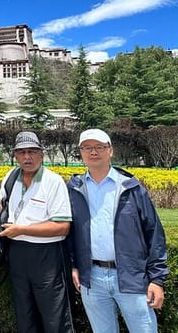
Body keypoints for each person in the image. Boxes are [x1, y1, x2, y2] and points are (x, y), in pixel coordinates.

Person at [67, 129, 168, 333]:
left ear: (110, 151)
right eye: (87, 148)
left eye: (99, 147)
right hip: (92, 278)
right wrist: (73, 266)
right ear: (81, 152)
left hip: (131, 276)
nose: (93, 152)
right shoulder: (74, 188)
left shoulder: (131, 187)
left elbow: (154, 233)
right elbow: (69, 232)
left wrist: (157, 279)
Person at [0, 131, 73, 333]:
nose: (28, 157)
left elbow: (63, 227)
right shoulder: (10, 177)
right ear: (15, 155)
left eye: (33, 152)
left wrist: (23, 229)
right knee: (24, 316)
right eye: (22, 152)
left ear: (41, 154)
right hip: (17, 253)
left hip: (46, 257)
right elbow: (5, 208)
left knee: (55, 318)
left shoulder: (54, 182)